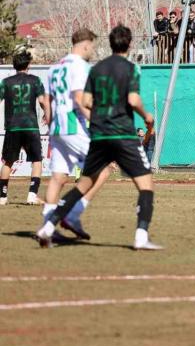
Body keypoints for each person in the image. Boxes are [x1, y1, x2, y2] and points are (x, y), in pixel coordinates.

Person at [36, 25, 161, 250]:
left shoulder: (74, 68)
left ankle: (48, 226)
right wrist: (146, 116)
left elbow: (69, 100)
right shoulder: (121, 67)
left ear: (111, 43)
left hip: (61, 127)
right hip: (105, 130)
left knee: (66, 180)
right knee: (140, 184)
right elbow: (127, 100)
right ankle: (139, 236)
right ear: (129, 44)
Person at [41, 30, 111, 239]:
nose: (93, 51)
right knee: (103, 169)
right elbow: (80, 100)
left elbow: (46, 101)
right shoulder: (80, 66)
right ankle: (72, 215)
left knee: (58, 178)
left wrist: (51, 125)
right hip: (73, 125)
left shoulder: (54, 68)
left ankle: (48, 226)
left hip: (57, 127)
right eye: (93, 47)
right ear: (86, 44)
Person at [0, 49, 49, 206]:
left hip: (12, 127)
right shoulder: (35, 80)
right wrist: (47, 114)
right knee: (37, 160)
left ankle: (2, 197)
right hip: (30, 126)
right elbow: (42, 101)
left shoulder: (6, 82)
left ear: (14, 66)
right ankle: (32, 196)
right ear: (28, 65)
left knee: (8, 162)